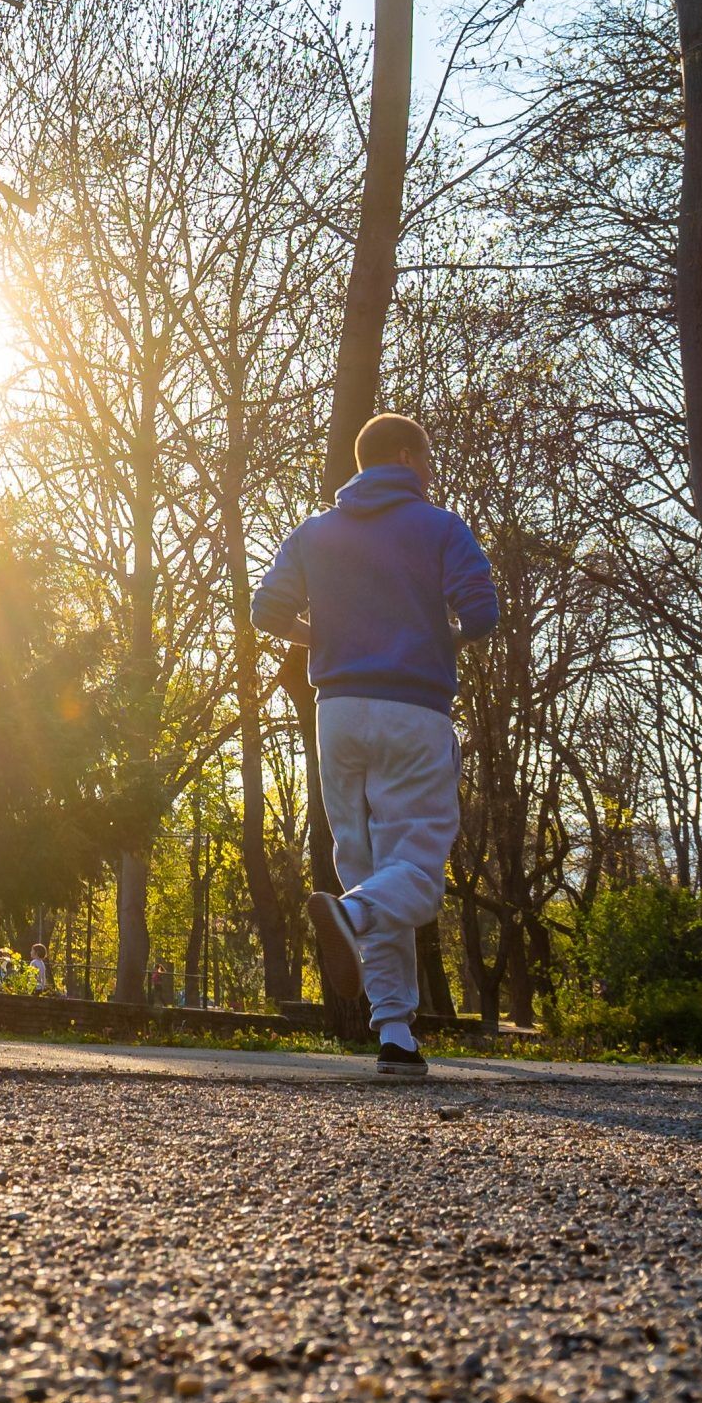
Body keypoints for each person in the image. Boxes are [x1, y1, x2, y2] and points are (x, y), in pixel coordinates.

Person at [252, 412, 498, 1078]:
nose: (431, 471)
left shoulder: (313, 532)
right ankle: (350, 914)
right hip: (412, 710)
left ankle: (395, 1034)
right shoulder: (440, 526)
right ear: (404, 455)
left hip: (336, 714)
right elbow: (481, 611)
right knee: (412, 870)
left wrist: (324, 638)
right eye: (428, 457)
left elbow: (265, 610)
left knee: (373, 868)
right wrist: (437, 636)